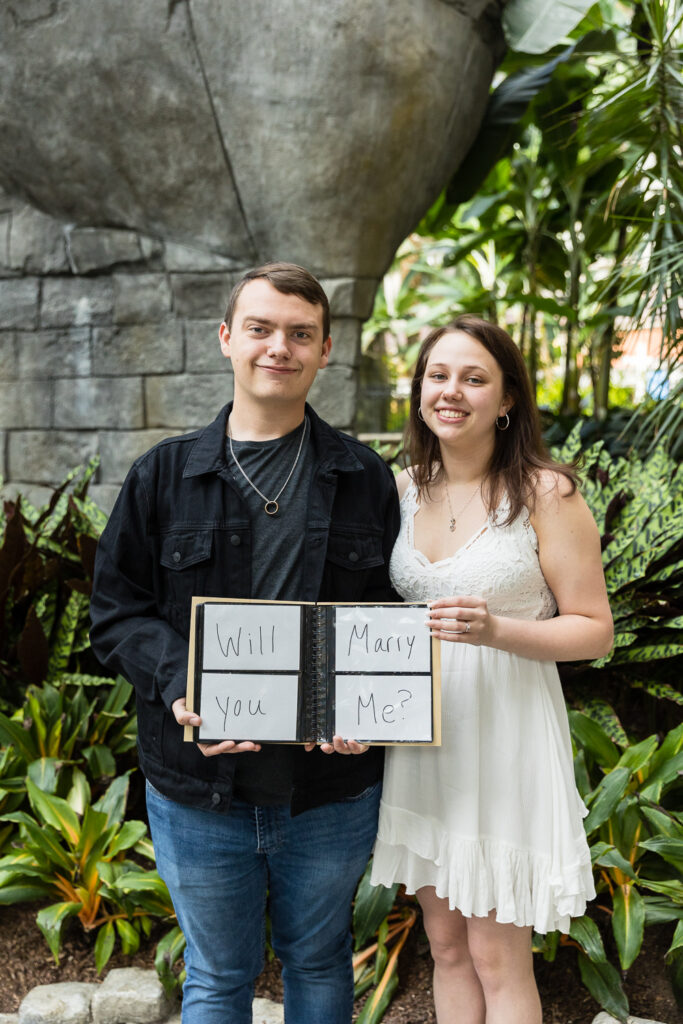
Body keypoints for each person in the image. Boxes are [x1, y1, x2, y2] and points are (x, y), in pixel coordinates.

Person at [89, 262, 401, 1024]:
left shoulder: (363, 476)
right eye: (260, 329)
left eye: (300, 334)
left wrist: (368, 703)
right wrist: (179, 679)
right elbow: (115, 611)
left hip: (328, 789)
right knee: (217, 979)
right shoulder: (164, 474)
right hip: (198, 787)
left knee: (321, 963)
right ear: (227, 338)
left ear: (325, 350)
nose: (278, 348)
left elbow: (390, 614)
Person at [370, 315, 613, 1024]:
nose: (451, 391)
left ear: (506, 399)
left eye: (473, 378)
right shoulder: (399, 489)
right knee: (444, 948)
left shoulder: (547, 494)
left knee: (496, 956)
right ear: (418, 390)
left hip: (504, 742)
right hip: (422, 743)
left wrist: (498, 629)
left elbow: (594, 631)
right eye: (437, 375)